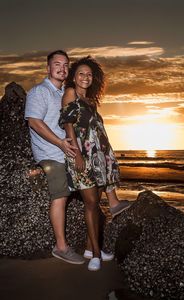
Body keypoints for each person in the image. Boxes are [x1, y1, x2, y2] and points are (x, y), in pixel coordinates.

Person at [59, 56, 131, 270]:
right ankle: (96, 256)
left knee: (96, 202)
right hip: (82, 154)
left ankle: (92, 248)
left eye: (89, 74)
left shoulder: (90, 100)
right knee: (90, 202)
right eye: (81, 73)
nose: (85, 77)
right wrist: (77, 154)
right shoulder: (70, 93)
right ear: (73, 76)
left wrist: (107, 156)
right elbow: (68, 123)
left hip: (99, 155)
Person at [25, 50, 85, 265]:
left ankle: (93, 244)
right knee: (60, 196)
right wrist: (60, 143)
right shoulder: (39, 92)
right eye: (57, 64)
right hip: (51, 154)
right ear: (48, 68)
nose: (62, 68)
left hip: (67, 152)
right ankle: (61, 247)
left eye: (66, 65)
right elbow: (34, 121)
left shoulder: (64, 95)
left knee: (90, 191)